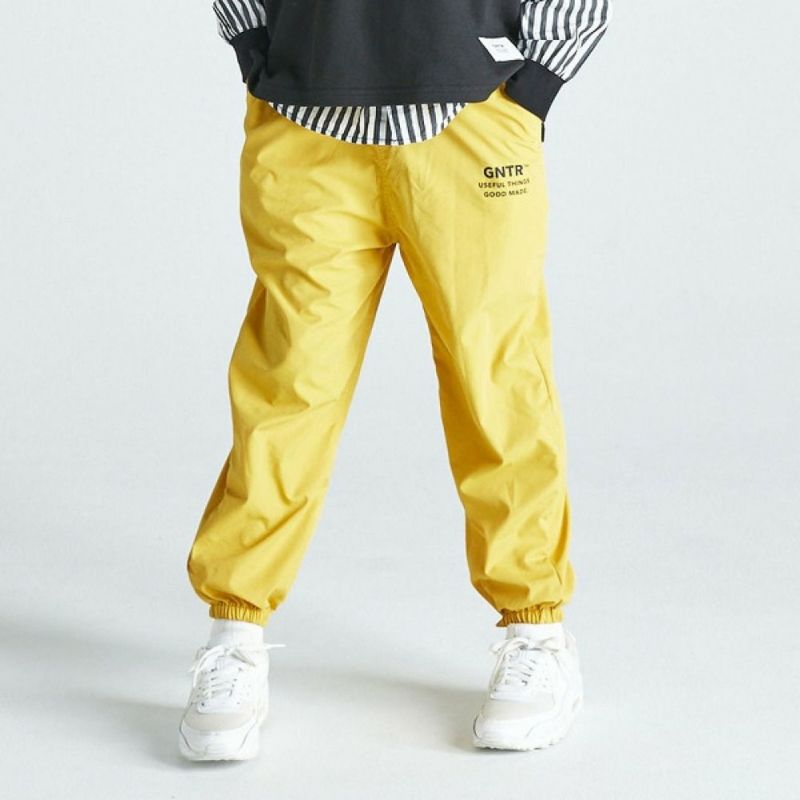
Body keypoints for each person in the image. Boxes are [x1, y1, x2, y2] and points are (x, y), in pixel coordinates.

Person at [179, 0, 613, 761]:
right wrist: (258, 48)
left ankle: (536, 630)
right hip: (305, 113)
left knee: (495, 379)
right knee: (287, 384)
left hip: (471, 114)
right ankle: (234, 633)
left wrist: (536, 79)